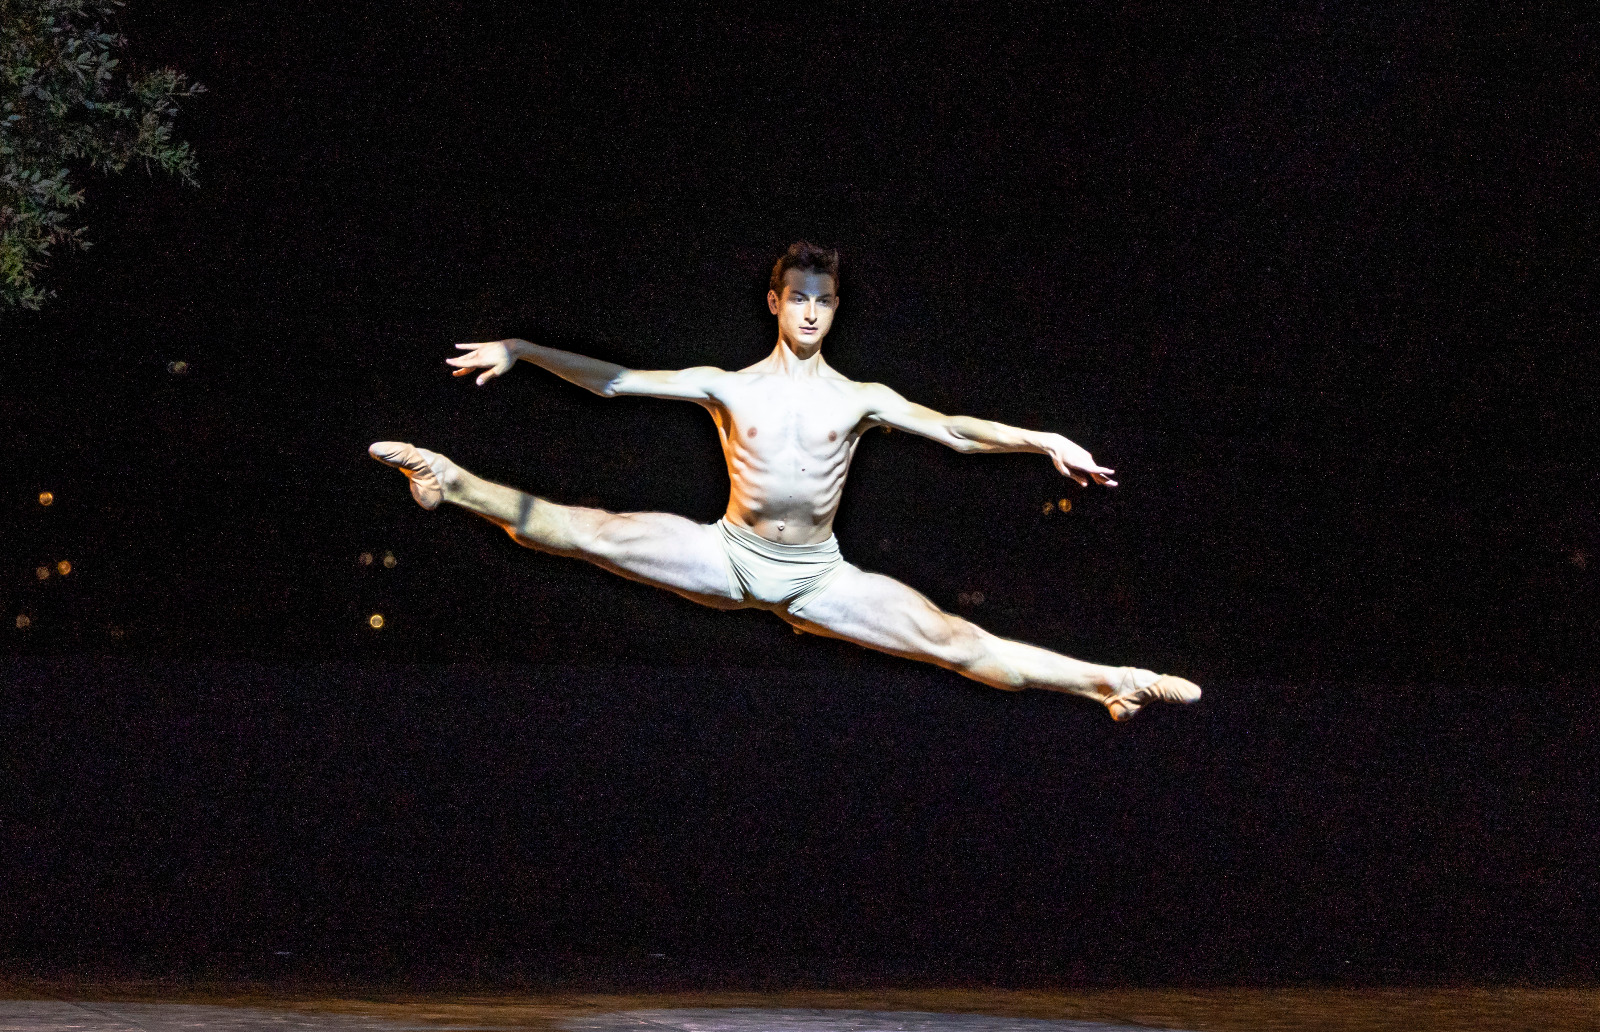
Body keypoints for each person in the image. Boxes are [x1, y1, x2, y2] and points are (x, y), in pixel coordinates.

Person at [370, 241, 1199, 720]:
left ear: (835, 310)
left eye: (823, 301)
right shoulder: (728, 386)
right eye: (797, 297)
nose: (809, 311)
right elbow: (615, 382)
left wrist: (1041, 439)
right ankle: (451, 479)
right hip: (729, 555)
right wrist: (522, 349)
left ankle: (1110, 682)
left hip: (819, 577)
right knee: (587, 532)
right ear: (774, 302)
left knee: (954, 641)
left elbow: (952, 429)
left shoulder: (860, 397)